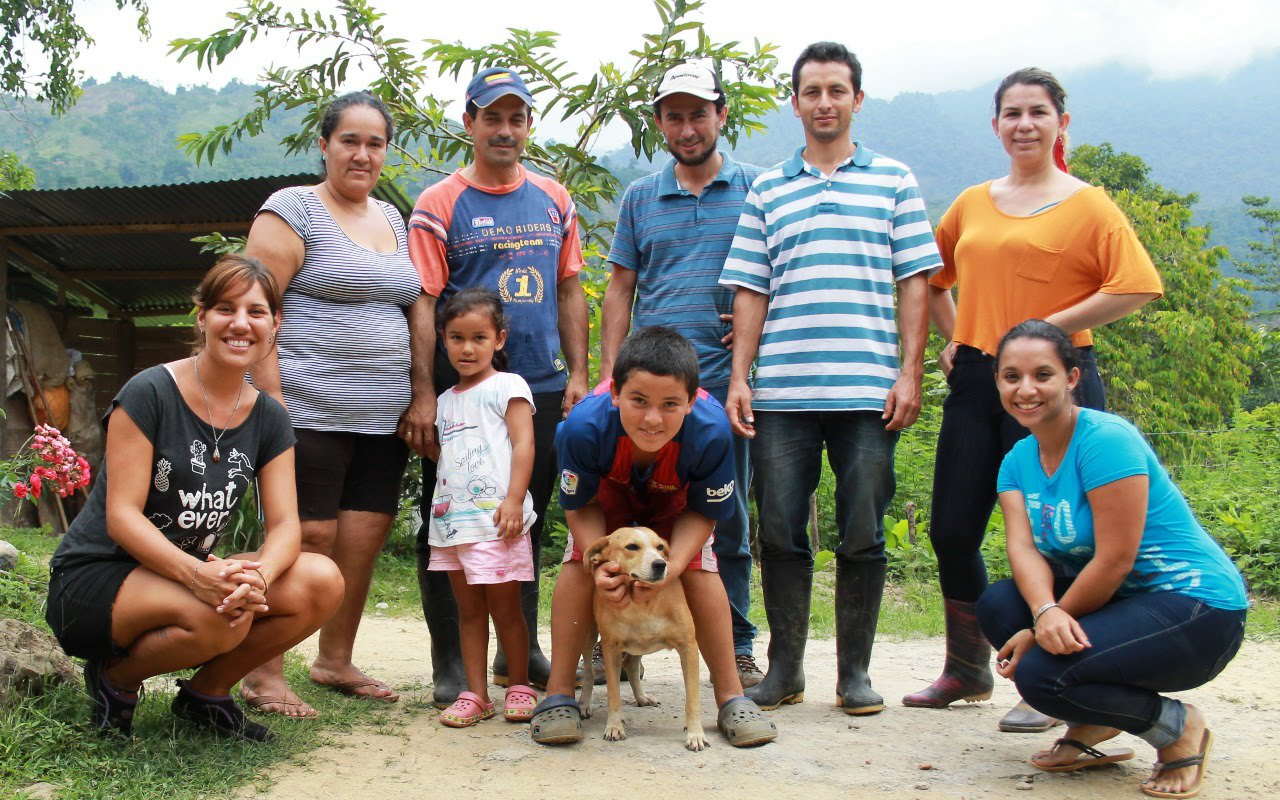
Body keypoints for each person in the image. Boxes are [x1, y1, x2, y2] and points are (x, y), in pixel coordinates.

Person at [905, 68, 1163, 733]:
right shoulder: (973, 201)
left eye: (1038, 112)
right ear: (996, 126)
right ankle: (966, 667)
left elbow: (1135, 286)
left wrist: (1047, 333)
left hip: (1054, 382)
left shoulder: (1089, 204)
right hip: (976, 379)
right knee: (953, 527)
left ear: (1061, 123)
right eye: (1012, 113)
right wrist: (953, 335)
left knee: (1060, 533)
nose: (1024, 123)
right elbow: (931, 278)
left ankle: (1052, 676)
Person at [719, 42, 938, 716]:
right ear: (795, 102)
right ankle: (784, 671)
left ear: (857, 100)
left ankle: (855, 676)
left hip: (869, 393)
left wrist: (909, 373)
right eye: (811, 91)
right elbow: (751, 289)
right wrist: (739, 378)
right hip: (782, 393)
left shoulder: (894, 180)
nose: (823, 103)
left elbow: (916, 282)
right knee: (780, 529)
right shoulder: (768, 188)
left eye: (836, 91)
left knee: (864, 532)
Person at [44, 255, 343, 741]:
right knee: (219, 615)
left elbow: (286, 525)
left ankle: (206, 696)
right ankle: (114, 682)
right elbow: (121, 517)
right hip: (97, 576)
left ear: (274, 324)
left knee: (320, 580)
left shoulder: (268, 417)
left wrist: (260, 578)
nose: (240, 323)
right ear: (201, 316)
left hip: (186, 577)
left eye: (256, 311)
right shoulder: (150, 392)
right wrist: (200, 575)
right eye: (225, 308)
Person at [976, 319, 1246, 800]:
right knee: (1000, 605)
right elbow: (1023, 548)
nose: (1026, 389)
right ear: (997, 381)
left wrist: (1046, 628)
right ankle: (1094, 720)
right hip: (1123, 601)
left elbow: (1116, 558)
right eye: (1011, 376)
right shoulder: (1018, 458)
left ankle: (1178, 729)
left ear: (1072, 378)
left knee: (1042, 676)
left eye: (1043, 374)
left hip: (1197, 608)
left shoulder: (1105, 440)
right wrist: (1043, 612)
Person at [240, 90, 431, 716]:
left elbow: (408, 303)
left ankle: (333, 659)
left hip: (380, 417)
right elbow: (256, 302)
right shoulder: (292, 210)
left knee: (360, 539)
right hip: (303, 408)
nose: (362, 153)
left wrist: (419, 391)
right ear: (324, 145)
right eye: (349, 139)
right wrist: (270, 402)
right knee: (305, 537)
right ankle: (262, 672)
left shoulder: (393, 220)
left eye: (375, 143)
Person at [409, 65, 590, 705]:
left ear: (529, 125)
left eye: (517, 118)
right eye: (493, 117)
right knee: (449, 523)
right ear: (470, 123)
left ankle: (525, 652)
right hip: (459, 398)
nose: (505, 130)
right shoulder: (439, 203)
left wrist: (581, 377)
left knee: (525, 520)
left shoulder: (554, 197)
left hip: (537, 387)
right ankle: (452, 668)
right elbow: (425, 303)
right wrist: (424, 393)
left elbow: (571, 287)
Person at [528, 327, 777, 747]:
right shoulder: (582, 427)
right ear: (615, 394)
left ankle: (732, 696)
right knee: (578, 560)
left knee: (700, 566)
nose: (652, 419)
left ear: (692, 400)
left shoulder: (713, 430)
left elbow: (704, 513)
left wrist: (674, 565)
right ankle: (558, 695)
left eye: (670, 405)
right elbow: (579, 506)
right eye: (638, 401)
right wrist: (605, 563)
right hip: (607, 503)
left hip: (677, 505)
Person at [599, 61, 764, 687]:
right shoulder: (640, 196)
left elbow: (771, 278)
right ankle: (612, 639)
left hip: (726, 386)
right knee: (628, 508)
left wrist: (754, 342)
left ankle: (738, 646)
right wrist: (609, 376)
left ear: (721, 116)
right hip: (648, 393)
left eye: (699, 113)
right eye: (674, 115)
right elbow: (620, 287)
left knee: (729, 517)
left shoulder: (757, 189)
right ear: (660, 124)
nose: (688, 126)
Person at [426, 288, 540, 727]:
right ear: (444, 339)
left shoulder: (508, 386)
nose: (467, 347)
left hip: (498, 523)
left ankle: (519, 684)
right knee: (468, 611)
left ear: (500, 339)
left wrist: (513, 500)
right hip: (453, 527)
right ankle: (476, 694)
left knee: (506, 609)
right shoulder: (444, 400)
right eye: (457, 337)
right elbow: (451, 457)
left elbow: (524, 444)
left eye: (478, 337)